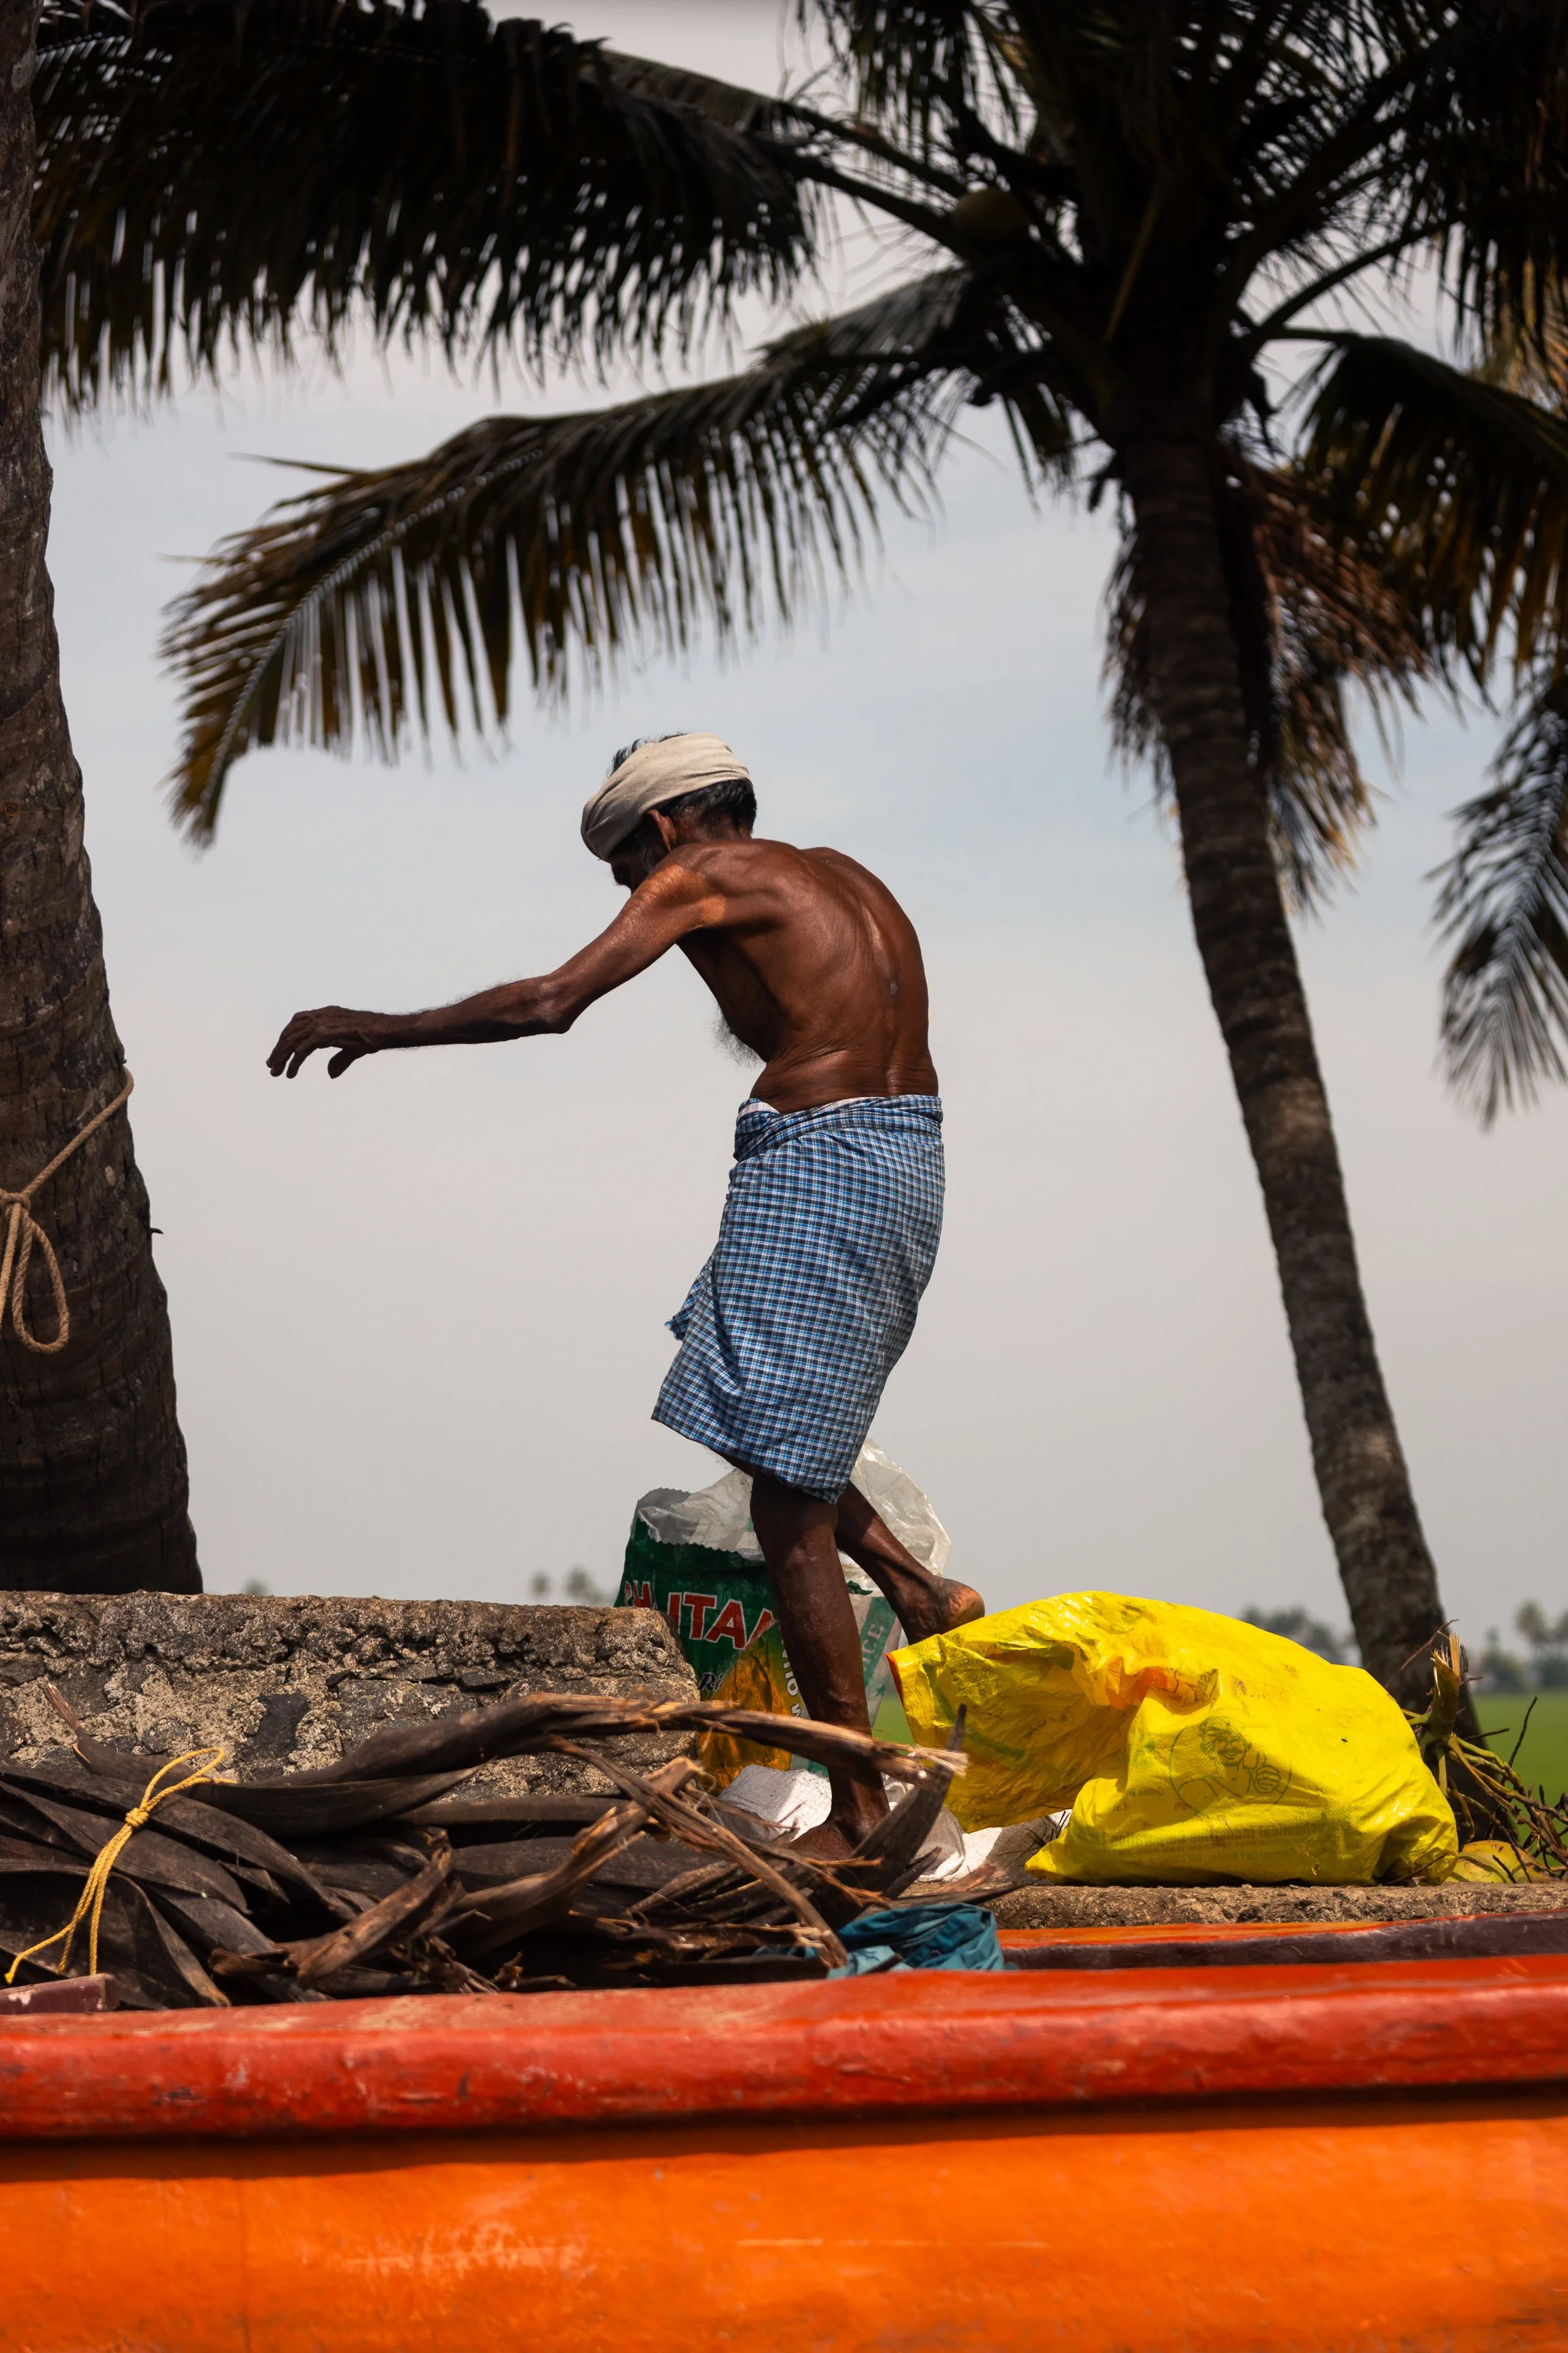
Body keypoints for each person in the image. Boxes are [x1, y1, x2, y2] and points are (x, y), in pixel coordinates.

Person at [268, 732, 984, 1852]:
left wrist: (379, 1026)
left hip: (820, 1156)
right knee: (750, 1403)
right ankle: (919, 1591)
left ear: (661, 828)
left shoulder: (697, 874)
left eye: (623, 868)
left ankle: (856, 1806)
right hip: (908, 1152)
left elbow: (554, 1001)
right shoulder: (845, 875)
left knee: (785, 1500)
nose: (631, 893)